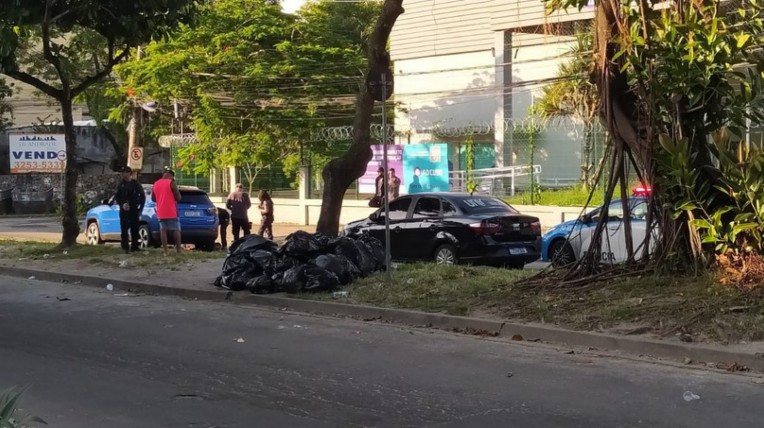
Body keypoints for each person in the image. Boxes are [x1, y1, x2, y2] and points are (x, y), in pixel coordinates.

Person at [113, 166, 145, 253]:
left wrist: (140, 209)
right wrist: (122, 204)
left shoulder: (136, 184)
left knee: (135, 228)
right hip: (124, 210)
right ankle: (125, 247)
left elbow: (142, 196)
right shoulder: (121, 185)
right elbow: (117, 197)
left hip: (134, 208)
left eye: (124, 172)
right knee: (124, 228)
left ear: (129, 173)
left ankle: (135, 246)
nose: (123, 174)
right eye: (122, 172)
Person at [152, 168, 182, 255]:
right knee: (176, 230)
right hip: (171, 211)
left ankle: (165, 251)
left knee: (163, 231)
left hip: (160, 211)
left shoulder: (156, 183)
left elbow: (153, 198)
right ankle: (178, 251)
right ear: (172, 176)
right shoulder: (171, 183)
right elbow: (178, 197)